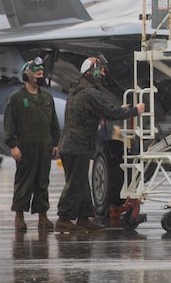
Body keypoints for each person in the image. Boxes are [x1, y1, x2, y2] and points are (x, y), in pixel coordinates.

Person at [55, 55, 144, 233]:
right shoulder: (89, 93)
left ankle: (83, 219)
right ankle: (63, 219)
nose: (103, 73)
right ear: (92, 72)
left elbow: (103, 109)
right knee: (75, 184)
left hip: (74, 144)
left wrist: (121, 110)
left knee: (82, 184)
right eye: (101, 70)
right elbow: (110, 112)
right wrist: (135, 110)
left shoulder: (79, 90)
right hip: (77, 145)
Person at [4, 56, 60, 232]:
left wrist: (55, 143)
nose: (40, 77)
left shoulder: (46, 98)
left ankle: (43, 217)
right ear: (28, 76)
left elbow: (54, 123)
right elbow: (9, 124)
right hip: (25, 149)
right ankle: (19, 217)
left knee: (42, 182)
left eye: (42, 74)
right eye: (38, 74)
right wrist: (13, 146)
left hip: (44, 148)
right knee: (24, 183)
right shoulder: (16, 98)